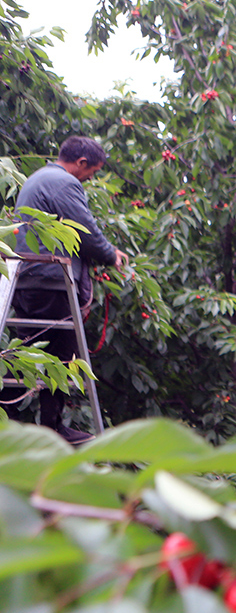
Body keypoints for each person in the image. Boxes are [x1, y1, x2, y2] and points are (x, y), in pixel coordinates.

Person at [10, 136, 129, 444]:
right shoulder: (63, 183)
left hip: (28, 278)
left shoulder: (39, 178)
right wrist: (110, 254)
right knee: (59, 354)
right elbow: (85, 229)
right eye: (93, 171)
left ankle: (42, 423)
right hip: (51, 281)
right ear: (81, 164)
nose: (91, 177)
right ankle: (52, 427)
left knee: (29, 349)